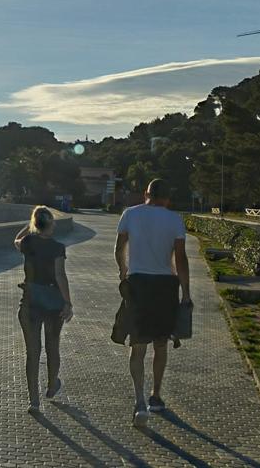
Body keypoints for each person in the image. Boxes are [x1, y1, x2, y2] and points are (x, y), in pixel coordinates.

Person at [115, 178, 191, 428]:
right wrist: (186, 293)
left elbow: (119, 249)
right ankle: (156, 396)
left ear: (146, 193)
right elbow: (180, 259)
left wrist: (123, 271)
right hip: (165, 287)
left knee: (137, 346)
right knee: (161, 344)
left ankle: (139, 402)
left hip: (138, 285)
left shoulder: (130, 214)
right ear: (168, 198)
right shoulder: (175, 220)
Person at [14, 205, 73, 412]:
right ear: (52, 224)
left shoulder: (28, 242)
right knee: (52, 346)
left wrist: (27, 227)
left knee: (33, 352)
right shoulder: (58, 248)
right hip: (52, 303)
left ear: (35, 224)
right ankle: (51, 385)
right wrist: (68, 303)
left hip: (30, 301)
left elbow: (16, 241)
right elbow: (60, 276)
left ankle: (34, 401)